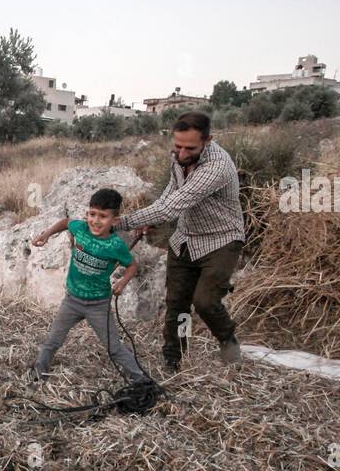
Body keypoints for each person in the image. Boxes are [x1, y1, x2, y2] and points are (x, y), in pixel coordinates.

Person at [118, 111, 245, 372]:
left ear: (208, 140)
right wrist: (149, 217)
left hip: (220, 240)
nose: (182, 154)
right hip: (185, 239)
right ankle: (174, 360)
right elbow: (170, 194)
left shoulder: (217, 167)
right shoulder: (179, 157)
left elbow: (173, 206)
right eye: (177, 146)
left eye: (190, 148)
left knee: (206, 301)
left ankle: (228, 341)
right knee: (178, 304)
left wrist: (120, 222)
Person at [30, 188, 151, 384]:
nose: (95, 220)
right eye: (92, 214)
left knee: (114, 347)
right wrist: (46, 234)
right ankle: (37, 373)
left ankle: (141, 380)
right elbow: (65, 222)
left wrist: (122, 281)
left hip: (99, 305)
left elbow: (132, 266)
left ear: (115, 221)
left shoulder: (116, 245)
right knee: (53, 340)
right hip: (72, 301)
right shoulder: (81, 229)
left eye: (103, 216)